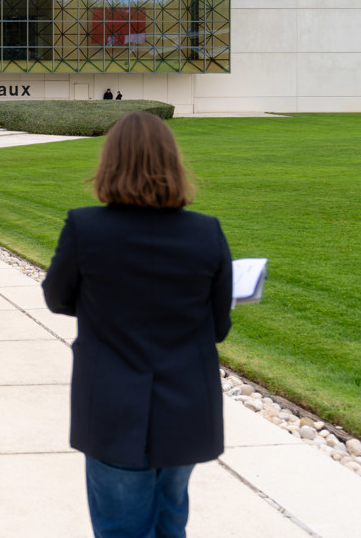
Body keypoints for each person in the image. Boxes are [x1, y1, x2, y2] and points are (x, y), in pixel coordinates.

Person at [42, 111, 232, 538]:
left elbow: (57, 297)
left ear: (110, 163)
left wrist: (104, 309)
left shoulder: (85, 228)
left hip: (112, 407)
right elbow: (218, 326)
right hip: (186, 408)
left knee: (122, 530)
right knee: (170, 524)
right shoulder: (206, 232)